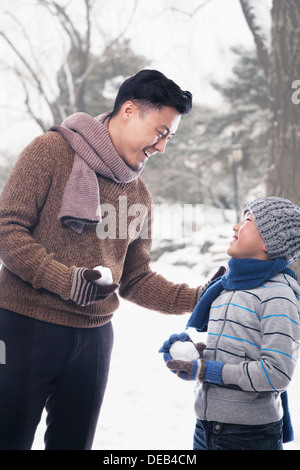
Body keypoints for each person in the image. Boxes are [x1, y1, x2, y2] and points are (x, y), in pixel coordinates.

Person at [0, 69, 218, 450]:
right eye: (161, 132)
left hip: (94, 340)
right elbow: (7, 230)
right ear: (130, 111)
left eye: (170, 137)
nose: (162, 147)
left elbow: (136, 279)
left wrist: (201, 296)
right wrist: (64, 280)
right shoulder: (50, 152)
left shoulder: (139, 196)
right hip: (25, 326)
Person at [161, 197, 300, 450]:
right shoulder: (227, 287)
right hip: (205, 426)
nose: (236, 227)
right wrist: (194, 354)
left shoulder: (278, 296)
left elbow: (277, 373)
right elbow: (237, 348)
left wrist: (205, 370)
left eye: (247, 221)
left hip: (249, 434)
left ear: (270, 242)